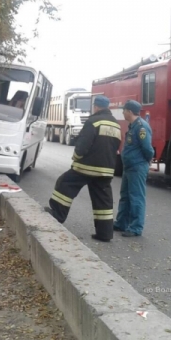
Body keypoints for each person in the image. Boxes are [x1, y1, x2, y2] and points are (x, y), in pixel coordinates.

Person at [45, 95, 121, 242]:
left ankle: (56, 215)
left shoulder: (93, 121)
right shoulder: (116, 124)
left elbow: (83, 145)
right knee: (103, 201)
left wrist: (77, 157)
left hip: (86, 167)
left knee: (65, 183)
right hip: (106, 170)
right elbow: (116, 147)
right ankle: (105, 234)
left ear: (96, 106)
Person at [113, 100, 154, 237]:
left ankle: (136, 227)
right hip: (129, 166)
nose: (123, 113)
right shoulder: (132, 126)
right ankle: (121, 223)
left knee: (136, 197)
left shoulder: (141, 127)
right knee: (125, 196)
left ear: (129, 111)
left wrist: (146, 160)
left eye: (124, 110)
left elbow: (148, 149)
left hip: (137, 167)